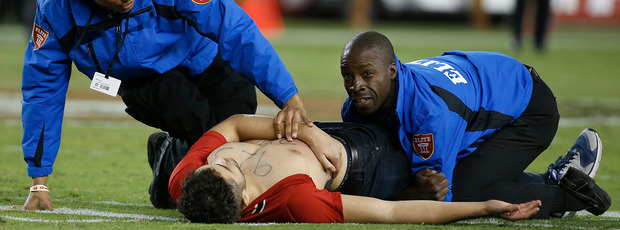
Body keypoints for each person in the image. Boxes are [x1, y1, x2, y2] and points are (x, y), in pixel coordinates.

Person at [17, 0, 313, 211]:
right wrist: (39, 184)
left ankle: (168, 154)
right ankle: (171, 163)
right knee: (202, 127)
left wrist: (289, 98)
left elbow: (234, 28)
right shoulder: (55, 13)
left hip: (200, 54)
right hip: (141, 81)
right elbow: (42, 93)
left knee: (237, 122)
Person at [334, 30, 610, 219]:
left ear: (392, 71)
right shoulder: (358, 106)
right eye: (348, 75)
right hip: (484, 91)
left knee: (464, 194)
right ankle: (557, 177)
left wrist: (395, 198)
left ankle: (572, 197)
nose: (356, 85)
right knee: (459, 174)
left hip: (528, 109)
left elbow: (435, 197)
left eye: (367, 74)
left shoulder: (430, 112)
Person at [168, 114, 541, 223]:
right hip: (377, 164)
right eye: (230, 168)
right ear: (244, 197)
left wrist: (310, 133)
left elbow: (231, 125)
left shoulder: (188, 179)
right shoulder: (294, 200)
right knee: (469, 168)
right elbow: (391, 212)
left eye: (218, 162)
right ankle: (555, 185)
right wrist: (484, 209)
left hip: (334, 130)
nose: (226, 158)